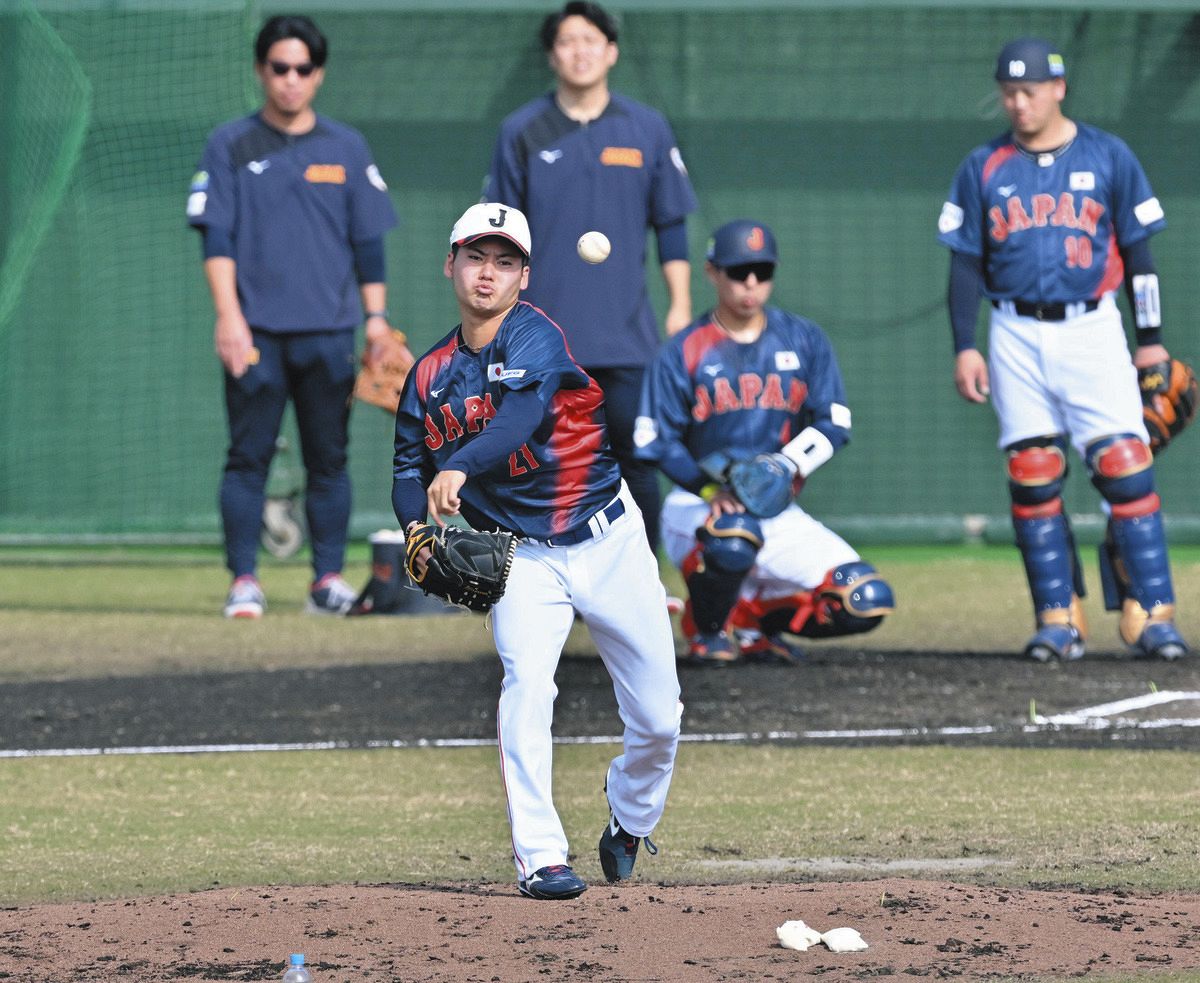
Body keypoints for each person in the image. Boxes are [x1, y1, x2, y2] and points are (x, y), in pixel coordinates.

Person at [392, 202, 681, 900]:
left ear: (524, 276)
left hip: (608, 536)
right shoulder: (428, 374)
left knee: (660, 718)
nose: (487, 273)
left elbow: (520, 415)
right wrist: (413, 529)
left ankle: (631, 812)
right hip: (523, 559)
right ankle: (541, 855)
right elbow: (407, 465)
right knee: (526, 689)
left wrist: (460, 464)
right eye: (475, 257)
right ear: (450, 263)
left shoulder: (535, 334)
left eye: (504, 261)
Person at [937, 37, 1189, 663]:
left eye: (1029, 91)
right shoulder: (984, 166)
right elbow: (965, 265)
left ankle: (1152, 613)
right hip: (1015, 330)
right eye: (1009, 93)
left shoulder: (1108, 155)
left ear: (1059, 88)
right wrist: (965, 347)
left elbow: (1140, 257)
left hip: (1093, 326)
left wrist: (1151, 340)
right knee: (1032, 470)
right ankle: (1058, 616)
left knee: (1126, 463)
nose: (1018, 104)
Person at [187, 15, 404, 619]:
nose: (290, 80)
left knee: (328, 460)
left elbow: (369, 242)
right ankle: (244, 582)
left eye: (302, 69)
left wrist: (378, 322)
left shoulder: (345, 147)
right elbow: (216, 240)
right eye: (279, 68)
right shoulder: (230, 144)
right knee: (247, 456)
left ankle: (327, 581)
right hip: (254, 334)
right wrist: (228, 318)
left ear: (319, 74)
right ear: (261, 71)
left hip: (329, 333)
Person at [483, 1, 698, 553]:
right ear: (552, 55)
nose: (579, 51)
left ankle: (642, 578)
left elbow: (670, 226)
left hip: (626, 337)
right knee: (539, 462)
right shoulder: (522, 131)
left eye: (590, 40)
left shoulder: (646, 128)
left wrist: (678, 305)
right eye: (567, 42)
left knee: (634, 458)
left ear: (611, 52)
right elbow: (501, 236)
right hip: (541, 339)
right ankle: (542, 583)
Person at [634, 220, 895, 666]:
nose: (751, 283)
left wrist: (785, 465)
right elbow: (653, 439)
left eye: (761, 270)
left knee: (863, 598)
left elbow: (834, 422)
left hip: (777, 512)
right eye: (738, 272)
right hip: (699, 507)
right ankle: (707, 629)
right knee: (734, 538)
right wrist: (710, 490)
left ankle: (752, 621)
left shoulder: (804, 339)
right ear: (712, 273)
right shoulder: (685, 349)